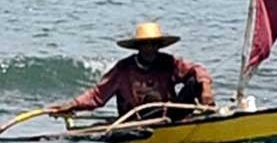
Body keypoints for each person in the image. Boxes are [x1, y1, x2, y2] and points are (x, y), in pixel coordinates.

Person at [46, 21, 214, 121]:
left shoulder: (168, 62)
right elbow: (97, 96)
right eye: (145, 44)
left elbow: (197, 70)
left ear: (159, 45)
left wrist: (205, 89)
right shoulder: (123, 69)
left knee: (195, 82)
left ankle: (206, 118)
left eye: (153, 44)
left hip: (169, 117)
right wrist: (71, 106)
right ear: (138, 47)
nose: (150, 49)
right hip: (138, 120)